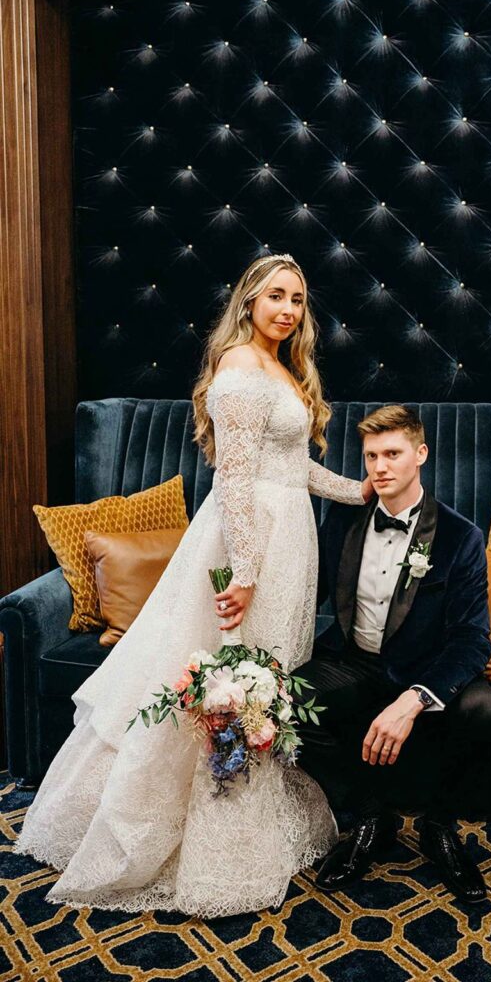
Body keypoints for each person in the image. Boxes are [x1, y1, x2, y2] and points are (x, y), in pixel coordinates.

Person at [14, 253, 372, 916]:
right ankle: (208, 842)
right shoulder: (238, 367)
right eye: (275, 297)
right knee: (232, 684)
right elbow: (235, 481)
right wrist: (243, 573)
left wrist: (359, 489)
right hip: (251, 543)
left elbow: (293, 469)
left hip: (290, 541)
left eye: (297, 299)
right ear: (248, 301)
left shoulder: (284, 367)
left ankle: (245, 817)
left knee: (268, 681)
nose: (288, 310)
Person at [293, 405, 491, 903]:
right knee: (286, 701)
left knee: (484, 709)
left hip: (427, 668)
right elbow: (306, 589)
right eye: (371, 456)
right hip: (356, 661)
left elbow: (473, 638)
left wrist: (415, 698)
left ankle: (440, 827)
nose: (380, 467)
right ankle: (372, 817)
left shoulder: (459, 536)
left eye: (393, 453)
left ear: (420, 455)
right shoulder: (342, 519)